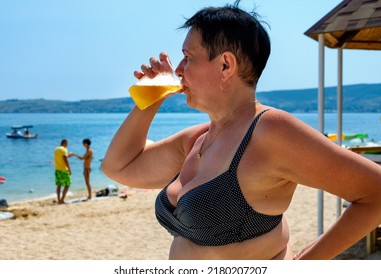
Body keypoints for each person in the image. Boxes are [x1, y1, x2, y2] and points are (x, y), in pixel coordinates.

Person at [101, 3, 381, 260]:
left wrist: (304, 266)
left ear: (226, 65)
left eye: (187, 57)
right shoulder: (199, 139)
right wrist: (151, 98)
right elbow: (119, 167)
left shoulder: (270, 132)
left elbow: (375, 192)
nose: (178, 69)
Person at [54, 139, 72, 204]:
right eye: (67, 144)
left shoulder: (56, 149)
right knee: (67, 184)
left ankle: (59, 200)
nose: (67, 145)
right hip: (64, 169)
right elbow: (65, 160)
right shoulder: (64, 149)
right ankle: (62, 200)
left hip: (57, 169)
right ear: (64, 143)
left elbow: (62, 157)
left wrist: (68, 156)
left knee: (59, 185)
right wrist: (69, 169)